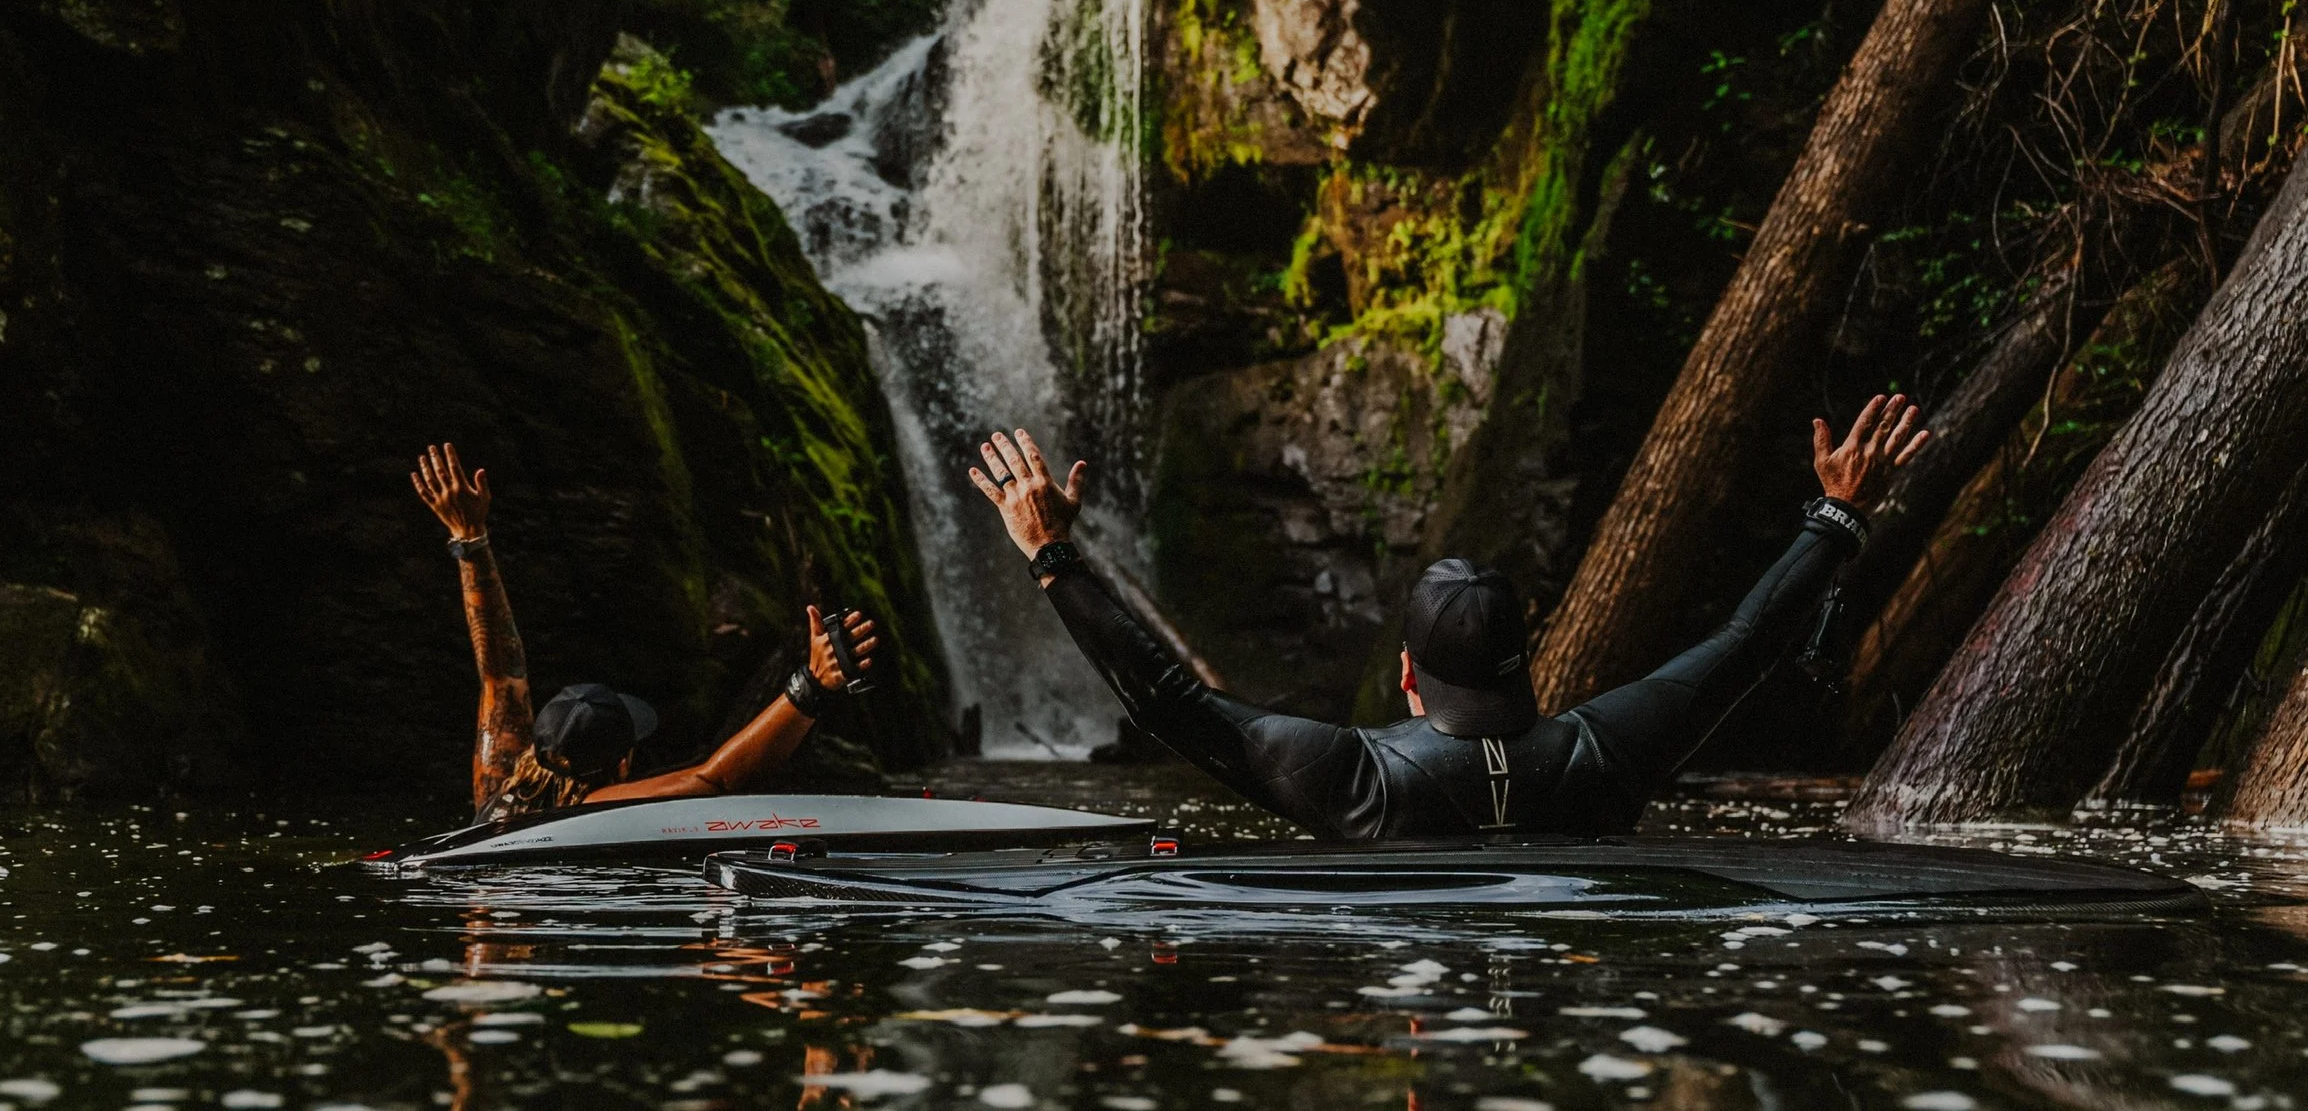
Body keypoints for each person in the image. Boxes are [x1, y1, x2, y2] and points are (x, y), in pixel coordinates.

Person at [966, 395, 1928, 840]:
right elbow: (1747, 643)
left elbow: (1172, 702)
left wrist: (1051, 554)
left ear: (1407, 678)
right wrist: (1839, 515)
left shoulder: (1351, 780)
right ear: (1529, 662)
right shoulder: (1610, 753)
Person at [411, 443, 877, 823]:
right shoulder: (588, 808)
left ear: (534, 748)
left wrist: (470, 538)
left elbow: (498, 675)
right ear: (621, 767)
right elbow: (714, 781)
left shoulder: (496, 789)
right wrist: (811, 685)